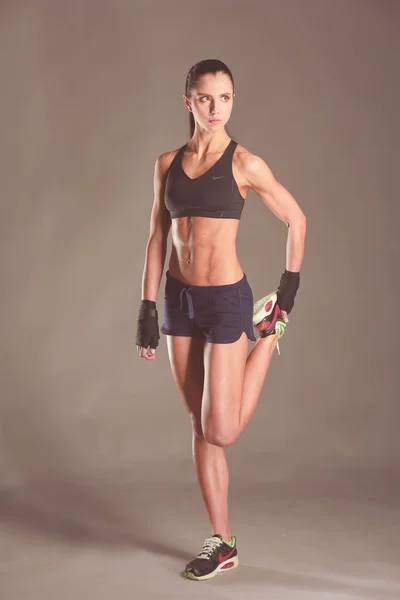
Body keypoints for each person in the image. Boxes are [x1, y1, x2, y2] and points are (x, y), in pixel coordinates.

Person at [136, 59, 306, 581]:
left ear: (233, 100)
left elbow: (295, 219)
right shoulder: (166, 163)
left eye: (225, 98)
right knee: (200, 426)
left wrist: (287, 291)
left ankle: (268, 333)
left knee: (223, 429)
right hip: (178, 299)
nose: (216, 108)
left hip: (226, 301)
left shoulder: (245, 164)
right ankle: (222, 541)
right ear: (187, 101)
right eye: (206, 98)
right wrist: (146, 307)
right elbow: (159, 238)